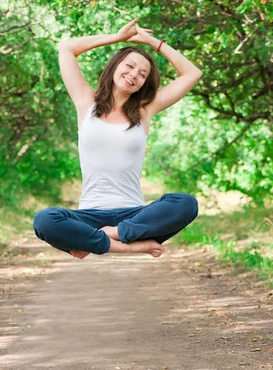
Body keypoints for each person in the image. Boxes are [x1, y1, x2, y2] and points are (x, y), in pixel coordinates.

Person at [33, 19, 202, 259]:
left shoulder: (145, 110)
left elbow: (192, 73)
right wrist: (117, 37)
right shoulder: (86, 103)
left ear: (144, 84)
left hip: (134, 217)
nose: (134, 75)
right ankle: (128, 245)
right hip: (89, 216)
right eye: (129, 66)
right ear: (114, 66)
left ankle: (105, 237)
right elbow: (67, 49)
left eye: (142, 74)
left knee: (186, 203)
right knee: (45, 220)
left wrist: (152, 42)